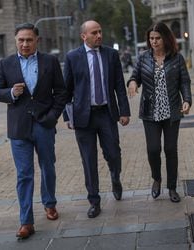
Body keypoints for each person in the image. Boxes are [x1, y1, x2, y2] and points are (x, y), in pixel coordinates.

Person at [0, 23, 67, 239]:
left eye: (29, 40)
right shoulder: (5, 64)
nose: (25, 44)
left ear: (37, 41)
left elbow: (61, 92)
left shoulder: (50, 61)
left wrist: (52, 117)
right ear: (15, 41)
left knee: (48, 167)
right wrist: (11, 93)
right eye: (21, 40)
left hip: (44, 124)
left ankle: (49, 203)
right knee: (24, 174)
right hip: (19, 128)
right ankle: (26, 221)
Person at [63, 20, 130, 218]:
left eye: (100, 32)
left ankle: (115, 176)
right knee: (88, 160)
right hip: (83, 117)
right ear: (84, 36)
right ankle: (94, 200)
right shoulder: (72, 57)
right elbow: (66, 89)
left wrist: (124, 111)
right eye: (94, 33)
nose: (99, 35)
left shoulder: (111, 54)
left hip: (107, 114)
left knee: (113, 153)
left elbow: (119, 85)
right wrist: (67, 115)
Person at [127, 22, 192, 203]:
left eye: (157, 38)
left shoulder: (177, 58)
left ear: (165, 38)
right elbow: (135, 76)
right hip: (150, 112)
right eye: (151, 38)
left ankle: (172, 187)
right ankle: (157, 178)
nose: (154, 42)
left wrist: (187, 100)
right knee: (153, 149)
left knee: (171, 149)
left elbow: (184, 82)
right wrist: (132, 83)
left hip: (171, 111)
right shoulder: (143, 58)